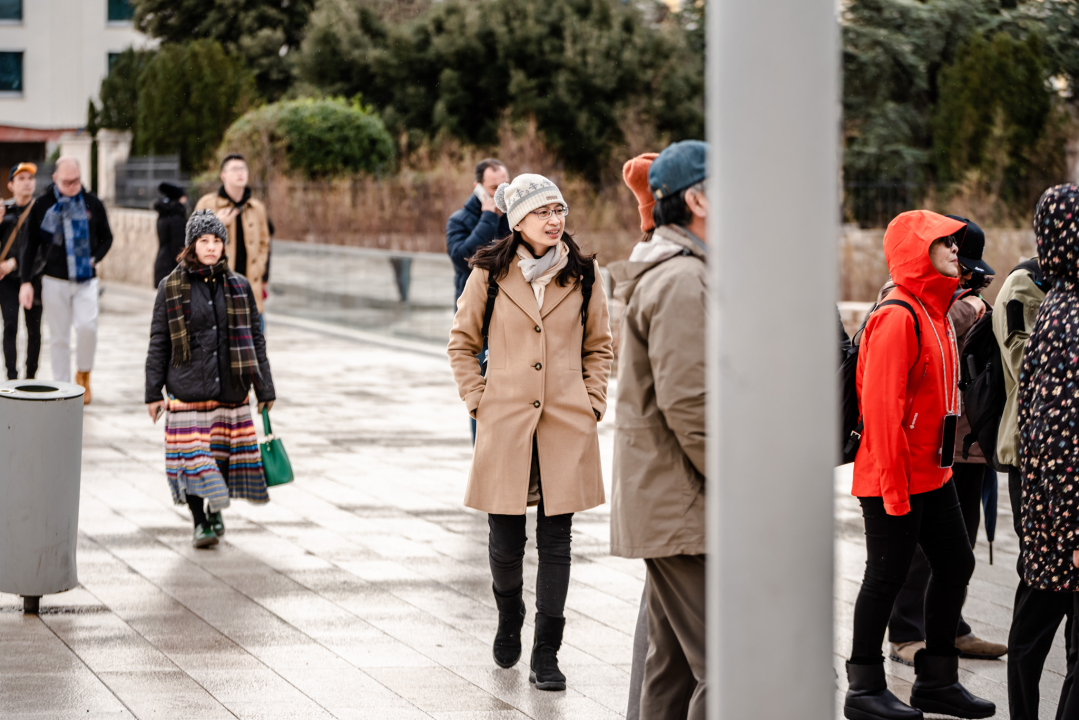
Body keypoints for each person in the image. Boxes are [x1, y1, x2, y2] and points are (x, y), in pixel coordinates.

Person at [447, 173, 613, 692]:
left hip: (566, 424)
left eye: (559, 209)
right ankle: (509, 613)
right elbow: (461, 343)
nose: (554, 219)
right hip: (506, 422)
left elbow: (600, 346)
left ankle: (547, 652)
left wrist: (593, 402)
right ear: (518, 220)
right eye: (543, 211)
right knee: (504, 542)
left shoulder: (584, 274)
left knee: (558, 541)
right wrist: (480, 401)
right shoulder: (489, 275)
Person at [844, 210, 994, 720]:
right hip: (895, 477)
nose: (956, 250)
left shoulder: (935, 311)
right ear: (915, 251)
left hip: (935, 474)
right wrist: (892, 491)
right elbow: (882, 415)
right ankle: (863, 689)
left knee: (956, 564)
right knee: (884, 577)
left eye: (955, 243)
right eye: (943, 243)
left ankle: (937, 680)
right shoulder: (897, 317)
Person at [609, 140, 708, 720]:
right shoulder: (682, 282)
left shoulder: (681, 273)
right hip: (685, 504)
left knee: (669, 670)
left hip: (675, 499)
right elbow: (692, 404)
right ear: (698, 199)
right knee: (732, 668)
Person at [883, 217, 1007, 666]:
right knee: (920, 547)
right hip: (936, 447)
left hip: (968, 446)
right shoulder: (917, 306)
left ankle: (949, 625)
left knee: (960, 546)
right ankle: (906, 632)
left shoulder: (962, 304)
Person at [144, 210, 275, 549]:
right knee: (192, 461)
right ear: (192, 244)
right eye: (204, 241)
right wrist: (152, 393)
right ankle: (200, 521)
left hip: (230, 389)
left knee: (219, 458)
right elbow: (159, 340)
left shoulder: (240, 286)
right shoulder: (171, 286)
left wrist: (265, 388)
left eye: (217, 240)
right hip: (187, 390)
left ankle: (215, 512)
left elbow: (255, 338)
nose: (211, 247)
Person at [995, 249, 1074, 720]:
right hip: (1037, 460)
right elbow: (1030, 366)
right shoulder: (1026, 285)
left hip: (1063, 460)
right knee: (1040, 598)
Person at [1014, 184, 1079, 718]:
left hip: (1049, 513)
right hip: (1067, 520)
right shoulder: (1072, 316)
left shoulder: (1058, 302)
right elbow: (1061, 438)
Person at [614, 150, 660, 720]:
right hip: (679, 485)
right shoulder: (665, 275)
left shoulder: (649, 265)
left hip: (664, 483)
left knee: (667, 634)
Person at [18, 156, 112, 403]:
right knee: (59, 337)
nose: (72, 186)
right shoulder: (43, 205)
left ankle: (83, 373)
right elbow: (30, 246)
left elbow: (107, 237)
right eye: (66, 182)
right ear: (55, 179)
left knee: (87, 327)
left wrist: (94, 258)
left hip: (86, 279)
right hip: (53, 279)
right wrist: (25, 281)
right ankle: (62, 388)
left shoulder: (92, 203)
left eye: (76, 181)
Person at [195, 154, 271, 314]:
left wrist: (259, 268)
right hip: (217, 290)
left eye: (243, 168)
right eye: (234, 169)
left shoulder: (257, 207)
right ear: (223, 175)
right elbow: (194, 243)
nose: (240, 173)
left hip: (249, 291)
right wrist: (217, 224)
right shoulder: (206, 204)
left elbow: (265, 243)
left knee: (256, 337)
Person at [447, 158, 510, 304]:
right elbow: (462, 259)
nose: (501, 194)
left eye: (505, 187)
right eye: (494, 188)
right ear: (478, 187)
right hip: (473, 303)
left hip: (508, 305)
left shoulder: (517, 218)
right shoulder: (458, 220)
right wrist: (489, 219)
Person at [0, 162, 41, 380]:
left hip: (32, 276)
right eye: (21, 179)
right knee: (10, 325)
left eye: (30, 178)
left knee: (34, 329)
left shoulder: (40, 211)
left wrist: (13, 262)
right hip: (6, 280)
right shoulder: (4, 211)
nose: (27, 183)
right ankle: (12, 378)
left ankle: (31, 377)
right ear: (10, 185)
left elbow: (44, 250)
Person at [154, 182, 187, 288]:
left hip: (163, 262)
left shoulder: (164, 214)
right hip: (171, 266)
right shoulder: (176, 218)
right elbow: (178, 246)